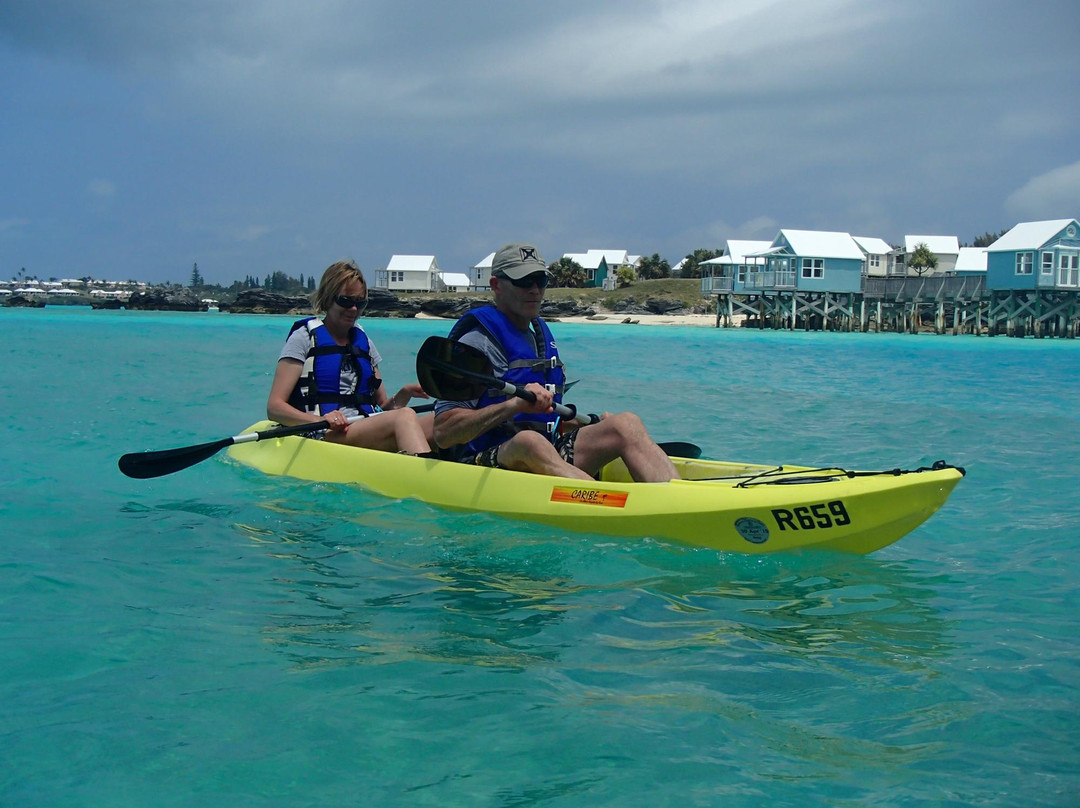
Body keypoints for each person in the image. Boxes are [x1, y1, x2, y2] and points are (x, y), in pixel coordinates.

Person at [432, 243, 678, 482]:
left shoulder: (537, 339)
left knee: (625, 423)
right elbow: (444, 433)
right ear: (496, 285)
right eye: (524, 281)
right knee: (529, 441)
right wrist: (514, 405)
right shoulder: (476, 344)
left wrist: (578, 422)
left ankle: (676, 499)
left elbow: (542, 421)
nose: (535, 290)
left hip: (543, 453)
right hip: (481, 462)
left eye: (541, 281)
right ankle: (605, 503)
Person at [267, 260, 434, 454]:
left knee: (439, 419)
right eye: (346, 301)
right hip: (325, 433)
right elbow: (274, 408)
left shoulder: (364, 343)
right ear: (328, 299)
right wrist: (320, 420)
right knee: (405, 416)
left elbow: (383, 408)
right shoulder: (304, 338)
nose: (353, 309)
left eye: (359, 303)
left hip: (364, 426)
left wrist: (405, 393)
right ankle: (421, 474)